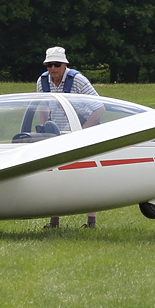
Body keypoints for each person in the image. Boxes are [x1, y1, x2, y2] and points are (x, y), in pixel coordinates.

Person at [38, 46, 101, 229]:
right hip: (57, 133)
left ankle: (91, 222)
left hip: (83, 132)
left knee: (88, 175)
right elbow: (42, 106)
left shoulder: (78, 81)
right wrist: (44, 130)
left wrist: (82, 131)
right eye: (49, 65)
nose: (52, 69)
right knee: (54, 176)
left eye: (56, 64)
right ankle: (54, 222)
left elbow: (99, 108)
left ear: (65, 64)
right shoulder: (42, 82)